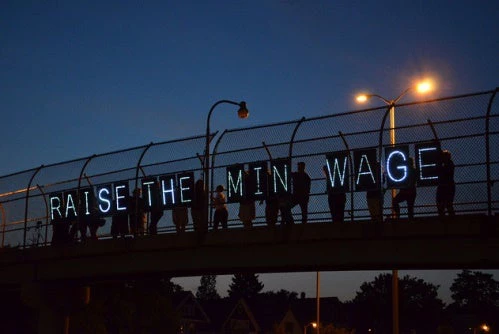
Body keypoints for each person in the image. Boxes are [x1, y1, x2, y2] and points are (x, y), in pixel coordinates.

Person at [436, 149, 455, 217]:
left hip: (447, 186)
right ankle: (446, 217)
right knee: (444, 204)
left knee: (447, 204)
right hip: (446, 186)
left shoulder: (449, 164)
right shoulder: (448, 164)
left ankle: (450, 219)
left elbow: (443, 172)